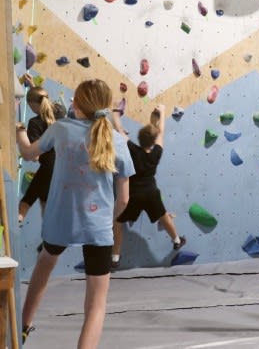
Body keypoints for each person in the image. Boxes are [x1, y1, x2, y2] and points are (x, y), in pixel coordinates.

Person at [15, 79, 134, 348]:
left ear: (76, 104)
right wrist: (107, 219)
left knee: (44, 266)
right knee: (96, 306)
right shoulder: (117, 140)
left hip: (60, 222)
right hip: (98, 229)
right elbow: (124, 199)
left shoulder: (60, 129)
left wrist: (18, 128)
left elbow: (28, 152)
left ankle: (21, 327)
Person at [110, 103, 186, 269]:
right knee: (163, 215)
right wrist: (163, 111)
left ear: (139, 138)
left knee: (118, 222)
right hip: (151, 193)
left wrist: (115, 114)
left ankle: (115, 257)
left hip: (134, 195)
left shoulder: (131, 149)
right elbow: (161, 133)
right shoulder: (156, 154)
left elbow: (120, 131)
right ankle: (177, 240)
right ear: (152, 142)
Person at [17, 75, 65, 224]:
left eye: (30, 105)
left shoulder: (34, 123)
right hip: (65, 167)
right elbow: (43, 101)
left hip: (50, 167)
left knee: (27, 201)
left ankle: (14, 225)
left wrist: (20, 132)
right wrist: (33, 86)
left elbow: (34, 156)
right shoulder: (61, 110)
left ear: (32, 105)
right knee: (44, 200)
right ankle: (48, 240)